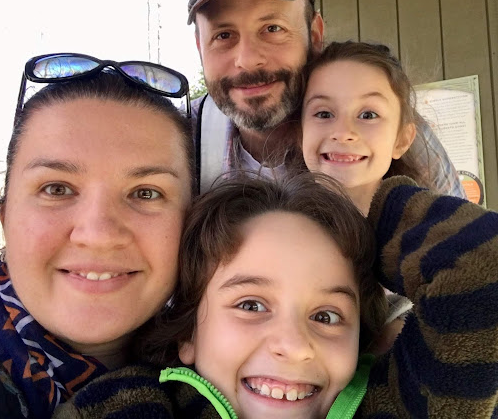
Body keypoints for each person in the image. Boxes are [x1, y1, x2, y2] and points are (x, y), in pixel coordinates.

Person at [54, 173, 498, 419]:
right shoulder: (132, 405)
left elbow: (485, 262)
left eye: (327, 316)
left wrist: (370, 209)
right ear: (188, 333)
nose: (293, 345)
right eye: (251, 305)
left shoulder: (401, 404)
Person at [0, 53, 195, 419]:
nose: (99, 235)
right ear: (4, 217)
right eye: (57, 189)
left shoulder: (248, 375)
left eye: (146, 193)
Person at [187, 0, 465, 200]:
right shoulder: (181, 138)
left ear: (315, 35)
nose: (247, 60)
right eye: (223, 35)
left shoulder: (387, 129)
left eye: (272, 28)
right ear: (200, 48)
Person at [302, 41, 422, 216]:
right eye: (324, 114)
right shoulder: (275, 226)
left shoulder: (438, 227)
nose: (343, 133)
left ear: (401, 140)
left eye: (368, 115)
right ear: (300, 133)